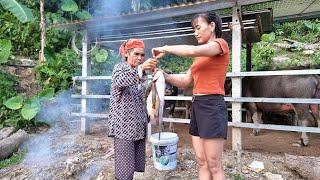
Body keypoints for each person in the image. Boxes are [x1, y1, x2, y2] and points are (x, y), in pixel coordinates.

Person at [152, 12, 229, 180]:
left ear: (212, 26)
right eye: (194, 29)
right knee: (201, 161)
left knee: (214, 163)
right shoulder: (199, 58)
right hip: (198, 105)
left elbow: (191, 50)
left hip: (212, 105)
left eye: (198, 27)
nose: (195, 32)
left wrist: (165, 48)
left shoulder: (219, 44)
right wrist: (163, 75)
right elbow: (186, 81)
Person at [108, 39, 158, 180]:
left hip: (137, 127)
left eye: (142, 55)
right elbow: (120, 82)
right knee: (124, 169)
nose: (140, 58)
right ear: (126, 54)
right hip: (123, 127)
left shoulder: (140, 74)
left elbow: (145, 97)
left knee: (132, 166)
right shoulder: (119, 68)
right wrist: (141, 69)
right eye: (136, 54)